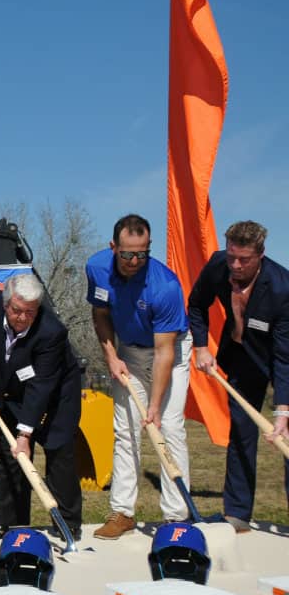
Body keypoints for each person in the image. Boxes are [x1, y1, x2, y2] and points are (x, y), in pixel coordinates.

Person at [86, 213, 192, 539]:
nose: (134, 260)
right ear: (113, 247)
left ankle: (176, 518)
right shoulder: (97, 267)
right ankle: (122, 513)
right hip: (128, 351)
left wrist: (155, 406)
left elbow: (164, 354)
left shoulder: (165, 287)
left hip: (169, 352)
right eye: (128, 253)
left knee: (168, 428)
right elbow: (100, 312)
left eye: (142, 253)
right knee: (126, 430)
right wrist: (111, 355)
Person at [187, 220, 289, 531]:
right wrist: (202, 347)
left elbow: (285, 357)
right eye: (232, 256)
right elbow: (196, 305)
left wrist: (282, 410)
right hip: (242, 359)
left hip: (280, 357)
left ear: (261, 255)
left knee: (287, 436)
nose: (235, 264)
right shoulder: (218, 265)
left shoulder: (282, 288)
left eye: (244, 259)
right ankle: (238, 514)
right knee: (242, 433)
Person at [0, 273, 84, 539]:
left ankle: (68, 523)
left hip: (57, 395)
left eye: (30, 313)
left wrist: (25, 434)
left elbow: (40, 387)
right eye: (17, 310)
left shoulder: (52, 332)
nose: (22, 318)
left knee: (58, 451)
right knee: (12, 456)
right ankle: (12, 524)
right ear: (6, 304)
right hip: (10, 391)